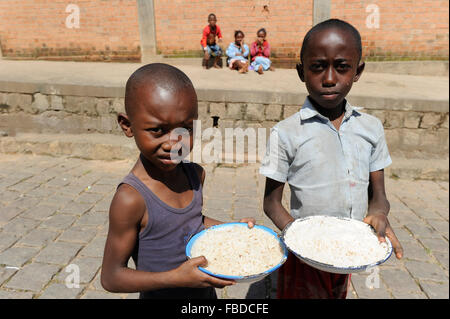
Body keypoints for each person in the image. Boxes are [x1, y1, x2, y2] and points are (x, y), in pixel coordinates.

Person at [260, 19, 404, 299]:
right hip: (303, 257)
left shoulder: (371, 128)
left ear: (358, 71)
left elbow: (379, 196)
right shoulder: (287, 133)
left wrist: (379, 213)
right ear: (301, 72)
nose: (329, 78)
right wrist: (305, 242)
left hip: (348, 251)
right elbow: (271, 203)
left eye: (341, 67)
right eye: (317, 67)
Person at [100, 63, 255, 299]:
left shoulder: (194, 175)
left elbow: (192, 223)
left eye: (185, 129)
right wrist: (176, 277)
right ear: (127, 125)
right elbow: (111, 277)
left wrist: (233, 232)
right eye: (158, 130)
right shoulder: (131, 199)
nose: (174, 144)